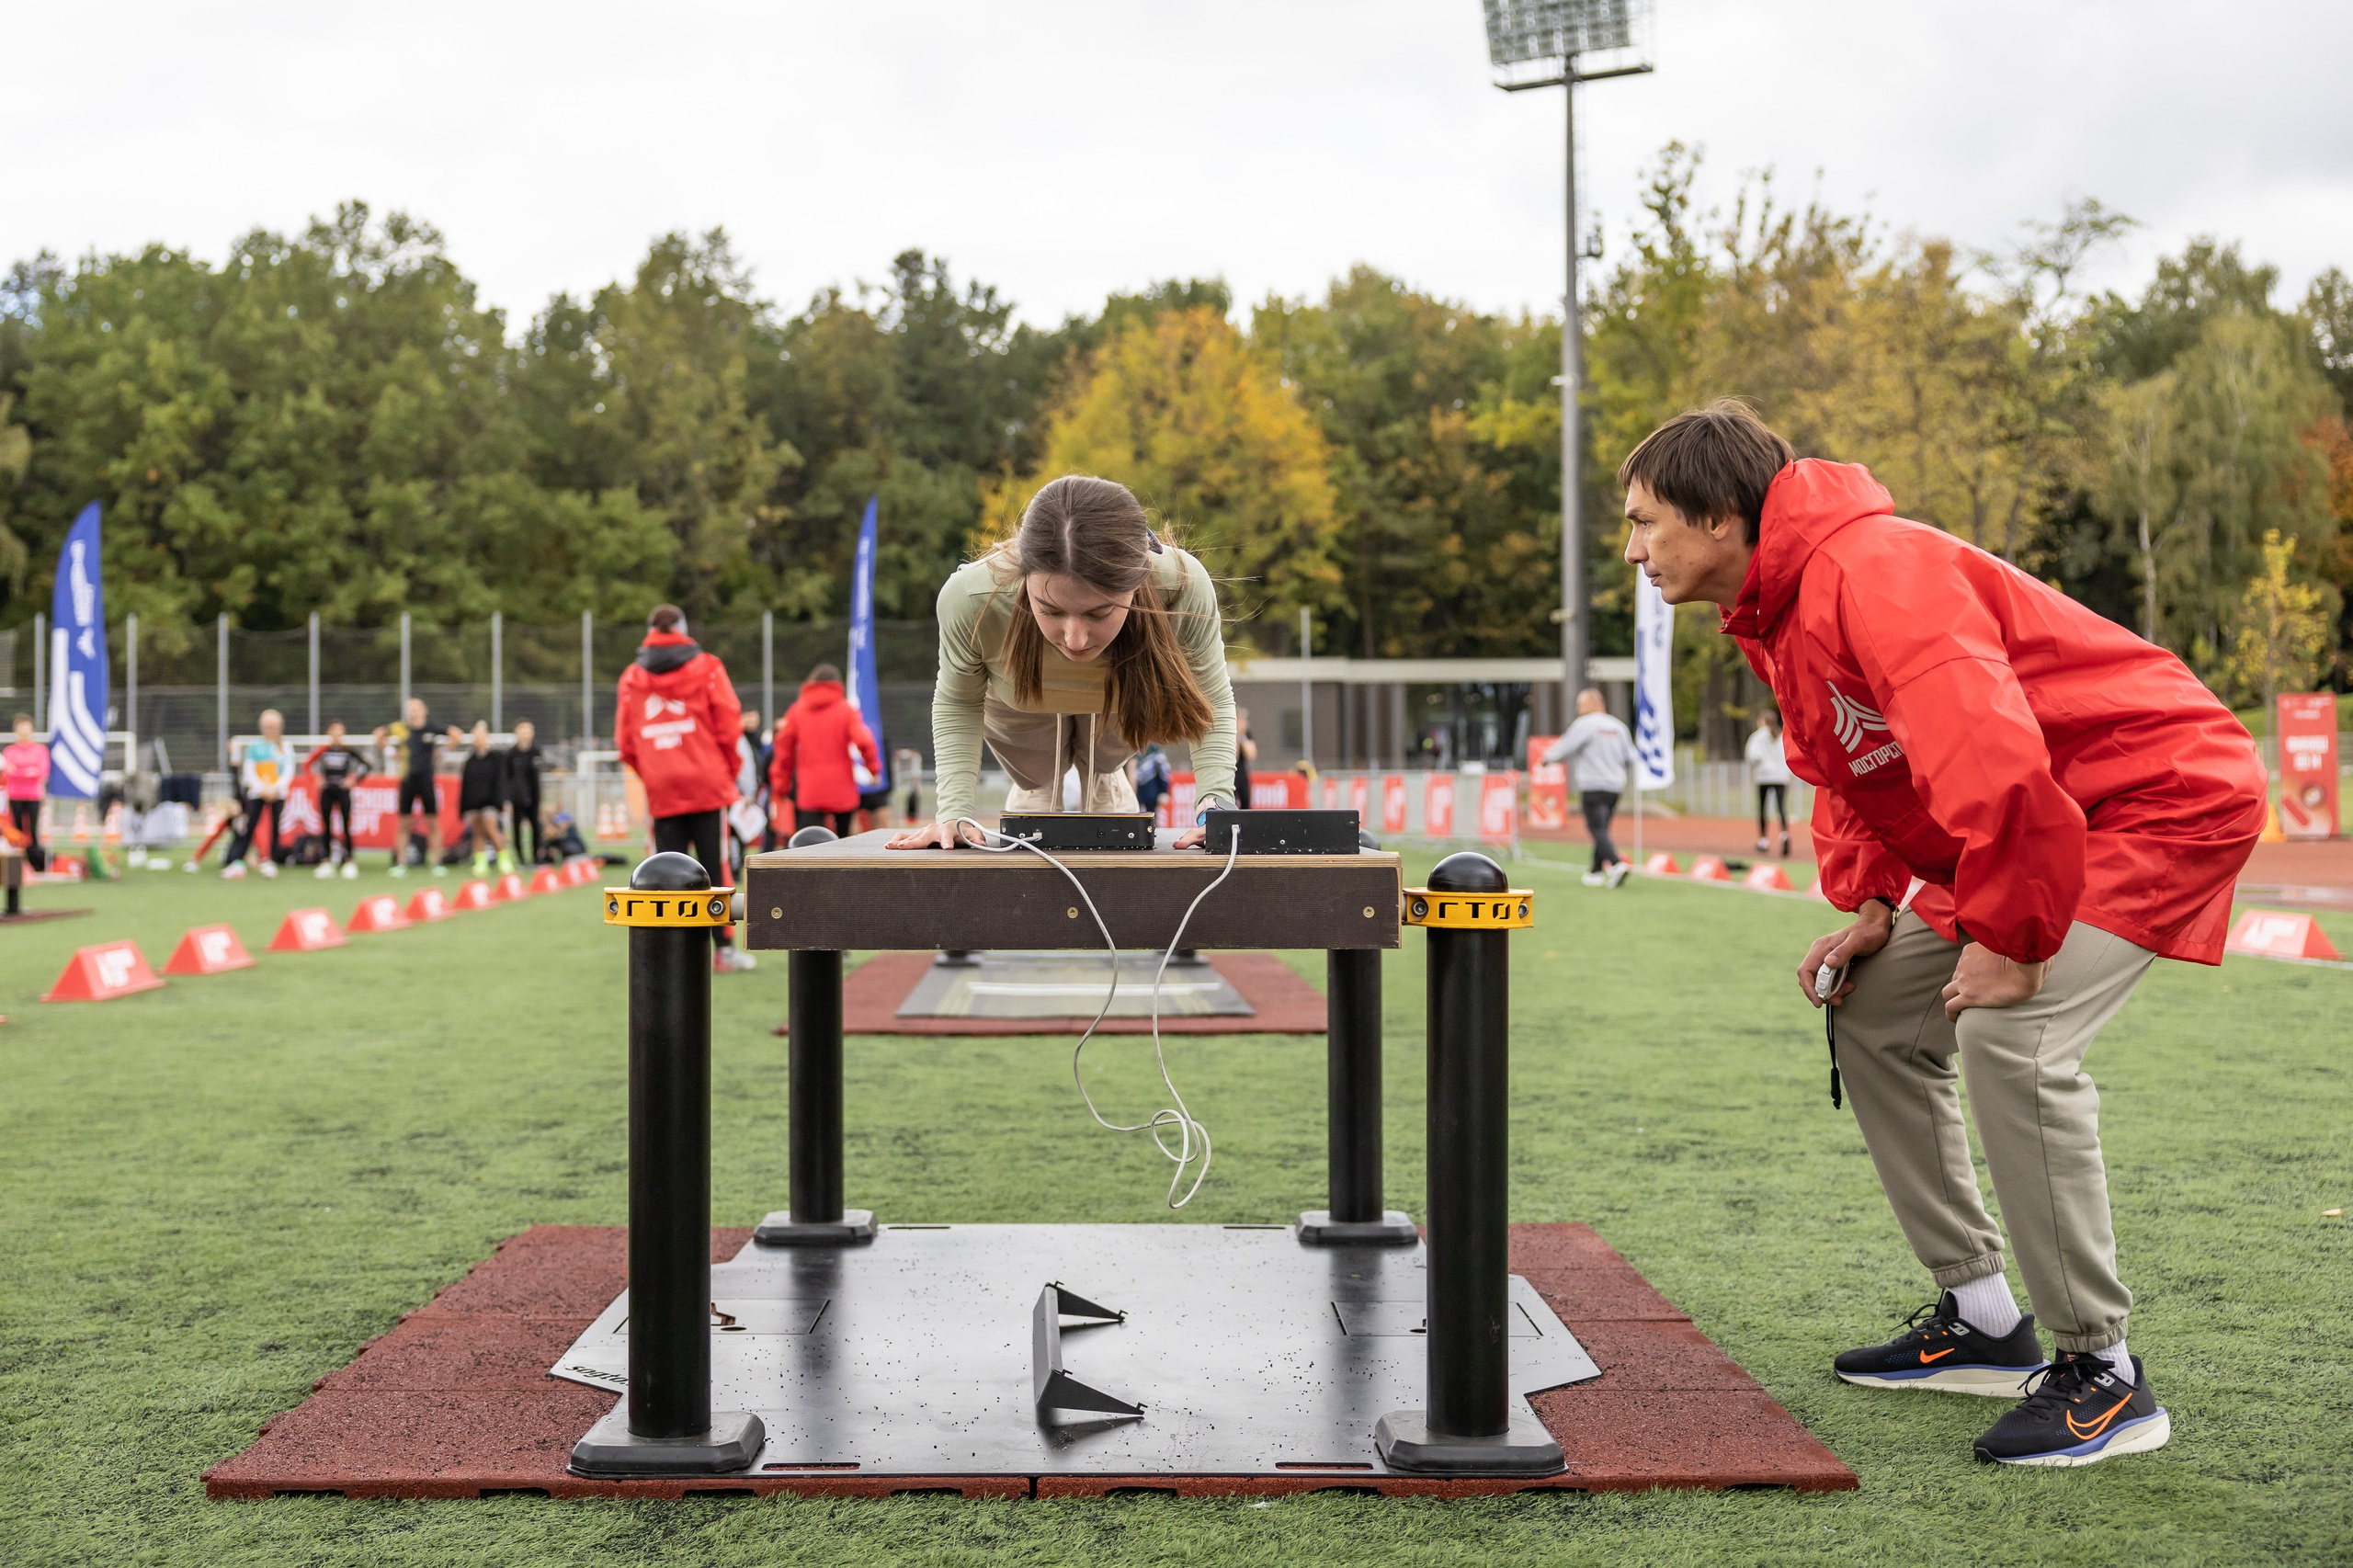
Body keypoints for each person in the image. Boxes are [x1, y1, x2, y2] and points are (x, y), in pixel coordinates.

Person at [1619, 400, 2266, 1467]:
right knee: (1870, 1008)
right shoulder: (1779, 602)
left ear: (1720, 515)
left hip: (2155, 798)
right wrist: (1870, 903)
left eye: (1645, 521)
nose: (1634, 548)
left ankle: (2102, 1372)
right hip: (2045, 817)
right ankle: (1983, 1317)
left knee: (2013, 1033)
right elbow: (1851, 767)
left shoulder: (1869, 571)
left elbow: (1994, 761)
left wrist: (2007, 938)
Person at [886, 474, 1237, 851]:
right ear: (1024, 578)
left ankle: (1104, 777)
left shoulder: (1182, 587)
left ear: (1137, 584)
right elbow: (958, 701)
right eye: (1050, 610)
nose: (1075, 640)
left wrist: (1215, 806)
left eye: (1100, 613)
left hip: (1119, 703)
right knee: (1038, 775)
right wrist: (953, 812)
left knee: (1103, 763)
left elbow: (1211, 699)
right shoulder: (972, 597)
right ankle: (1038, 786)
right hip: (1018, 702)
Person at [616, 604, 754, 971]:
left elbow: (626, 743)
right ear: (682, 628)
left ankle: (666, 955)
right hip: (707, 783)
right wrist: (729, 771)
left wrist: (655, 772)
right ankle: (723, 950)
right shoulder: (708, 667)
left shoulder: (631, 676)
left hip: (662, 788)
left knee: (661, 873)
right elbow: (728, 726)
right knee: (715, 868)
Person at [770, 665, 880, 840]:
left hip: (810, 789)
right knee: (845, 841)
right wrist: (873, 770)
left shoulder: (797, 711)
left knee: (809, 843)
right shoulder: (845, 710)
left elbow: (783, 751)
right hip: (841, 787)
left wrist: (781, 786)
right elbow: (864, 741)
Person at [1543, 688, 1634, 887]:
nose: (1578, 708)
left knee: (1596, 828)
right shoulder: (1618, 726)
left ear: (1592, 703)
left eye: (1580, 704)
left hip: (1593, 785)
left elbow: (1565, 747)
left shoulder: (1585, 724)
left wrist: (1546, 759)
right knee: (1602, 829)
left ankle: (1617, 864)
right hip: (1615, 786)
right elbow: (1630, 757)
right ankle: (1595, 872)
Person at [374, 699, 453, 877]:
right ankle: (401, 864)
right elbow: (378, 734)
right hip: (407, 780)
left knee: (432, 821)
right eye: (411, 709)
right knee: (404, 822)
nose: (414, 712)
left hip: (426, 780)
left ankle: (437, 863)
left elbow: (456, 734)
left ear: (425, 710)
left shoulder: (431, 729)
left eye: (417, 709)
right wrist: (389, 751)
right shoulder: (401, 728)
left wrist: (443, 751)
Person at [226, 709, 297, 880]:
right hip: (257, 793)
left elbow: (288, 771)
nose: (270, 730)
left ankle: (271, 860)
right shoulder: (255, 746)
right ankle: (238, 861)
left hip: (277, 793)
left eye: (273, 726)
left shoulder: (285, 746)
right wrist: (262, 788)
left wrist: (275, 788)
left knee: (275, 826)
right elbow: (249, 771)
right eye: (267, 726)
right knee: (249, 826)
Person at [303, 720, 369, 879]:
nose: (337, 735)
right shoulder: (323, 751)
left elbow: (366, 766)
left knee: (346, 825)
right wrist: (316, 780)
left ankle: (349, 860)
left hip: (342, 791)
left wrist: (353, 780)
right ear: (329, 733)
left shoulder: (347, 751)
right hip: (327, 790)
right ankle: (325, 861)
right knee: (326, 826)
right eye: (334, 731)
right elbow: (306, 765)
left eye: (340, 732)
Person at [456, 722, 514, 878]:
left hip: (491, 802)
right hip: (474, 803)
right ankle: (481, 863)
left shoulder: (495, 758)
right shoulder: (470, 761)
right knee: (477, 832)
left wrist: (501, 802)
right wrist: (463, 807)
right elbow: (466, 785)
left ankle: (504, 859)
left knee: (491, 828)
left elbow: (501, 782)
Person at [5, 713, 50, 870]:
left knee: (33, 829)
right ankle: (17, 864)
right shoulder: (10, 751)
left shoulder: (40, 751)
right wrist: (27, 772)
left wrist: (20, 772)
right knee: (16, 831)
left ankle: (36, 863)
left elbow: (42, 773)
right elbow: (8, 773)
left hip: (33, 796)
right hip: (15, 795)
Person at [1746, 710, 1793, 858]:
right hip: (1781, 777)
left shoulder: (1757, 737)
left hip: (1764, 777)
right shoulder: (1781, 736)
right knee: (1781, 808)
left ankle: (1763, 841)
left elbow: (1753, 756)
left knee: (1763, 808)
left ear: (1762, 721)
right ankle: (1784, 834)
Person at [505, 719, 545, 867]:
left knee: (536, 825)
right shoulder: (511, 754)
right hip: (517, 797)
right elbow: (507, 777)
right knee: (517, 827)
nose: (526, 734)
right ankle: (521, 859)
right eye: (523, 730)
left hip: (534, 794)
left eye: (529, 730)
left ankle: (536, 857)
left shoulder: (536, 752)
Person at [1132, 741, 1172, 821]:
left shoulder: (1155, 750)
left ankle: (1151, 829)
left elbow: (1164, 771)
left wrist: (1164, 790)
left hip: (1151, 788)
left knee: (1151, 813)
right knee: (1137, 811)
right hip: (1138, 788)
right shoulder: (1133, 749)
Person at [1231, 706, 1257, 809]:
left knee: (1245, 799)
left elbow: (1252, 754)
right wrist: (1237, 736)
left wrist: (1242, 737)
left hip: (1242, 770)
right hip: (1231, 771)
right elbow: (1234, 756)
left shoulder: (1245, 735)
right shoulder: (1230, 734)